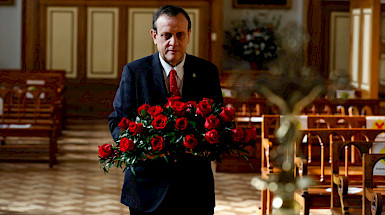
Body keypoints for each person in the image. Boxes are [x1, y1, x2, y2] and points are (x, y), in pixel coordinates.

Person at [108, 5, 223, 215]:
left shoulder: (207, 72)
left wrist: (209, 147)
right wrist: (140, 149)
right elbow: (117, 121)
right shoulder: (134, 72)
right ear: (154, 36)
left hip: (195, 189)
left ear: (189, 35)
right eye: (166, 35)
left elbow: (220, 123)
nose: (173, 42)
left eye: (180, 35)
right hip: (147, 189)